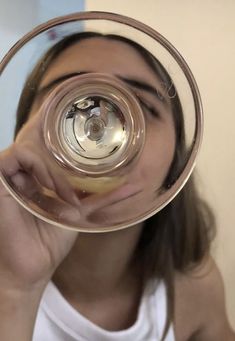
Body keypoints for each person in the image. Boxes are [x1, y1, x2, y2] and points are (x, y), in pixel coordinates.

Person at [0, 32, 234, 341]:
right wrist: (13, 290)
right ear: (24, 136)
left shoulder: (194, 287)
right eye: (72, 102)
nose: (106, 125)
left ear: (174, 163)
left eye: (143, 105)